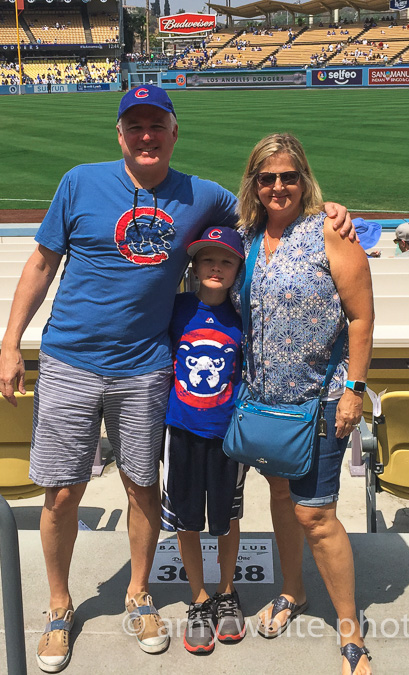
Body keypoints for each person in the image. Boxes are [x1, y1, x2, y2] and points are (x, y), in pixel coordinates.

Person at [0, 86, 354, 673]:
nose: (146, 136)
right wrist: (12, 343)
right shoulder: (79, 183)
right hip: (69, 360)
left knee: (143, 487)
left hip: (145, 366)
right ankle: (59, 605)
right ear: (120, 133)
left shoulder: (201, 194)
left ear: (173, 132)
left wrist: (327, 211)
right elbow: (41, 263)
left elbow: (268, 208)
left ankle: (139, 595)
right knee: (61, 493)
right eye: (135, 126)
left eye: (156, 125)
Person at [234, 133, 374, 675]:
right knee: (280, 495)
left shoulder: (329, 232)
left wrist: (354, 390)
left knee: (316, 514)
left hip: (321, 399)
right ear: (254, 183)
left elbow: (361, 317)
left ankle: (350, 630)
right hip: (265, 401)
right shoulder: (245, 236)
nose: (278, 186)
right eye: (267, 177)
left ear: (304, 179)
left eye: (288, 176)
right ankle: (293, 590)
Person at [160, 226, 246, 655]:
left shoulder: (244, 316)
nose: (216, 267)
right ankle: (198, 597)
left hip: (227, 435)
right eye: (207, 259)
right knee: (186, 519)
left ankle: (227, 591)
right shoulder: (176, 308)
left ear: (238, 269)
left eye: (226, 261)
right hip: (181, 432)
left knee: (228, 517)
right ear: (193, 266)